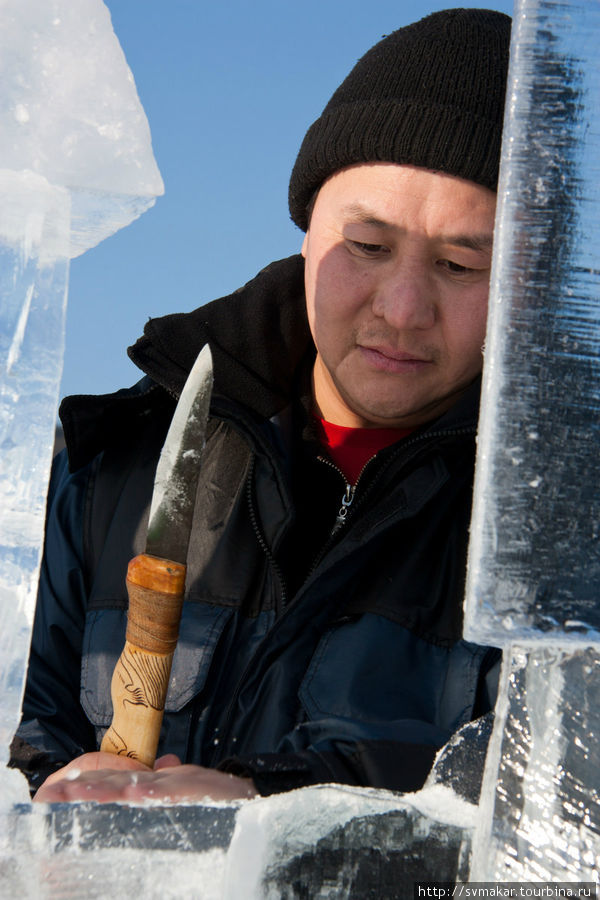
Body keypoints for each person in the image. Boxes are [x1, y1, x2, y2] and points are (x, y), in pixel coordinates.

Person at [10, 7, 511, 804]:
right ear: (307, 228)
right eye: (369, 246)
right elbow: (26, 743)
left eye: (460, 264)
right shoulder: (110, 469)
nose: (404, 307)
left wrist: (266, 830)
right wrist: (58, 805)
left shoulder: (554, 544)